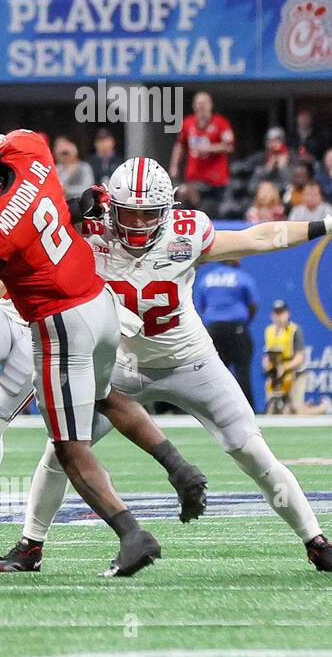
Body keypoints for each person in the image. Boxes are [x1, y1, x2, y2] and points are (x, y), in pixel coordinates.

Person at [17, 159, 332, 571]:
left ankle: (316, 541)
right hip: (121, 366)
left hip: (190, 361)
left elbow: (261, 237)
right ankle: (30, 546)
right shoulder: (88, 231)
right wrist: (73, 206)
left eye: (150, 213)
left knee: (253, 452)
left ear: (167, 210)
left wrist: (323, 224)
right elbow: (27, 222)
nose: (139, 223)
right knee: (62, 449)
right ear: (111, 206)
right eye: (130, 211)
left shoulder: (187, 234)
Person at [0, 114, 167, 577]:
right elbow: (52, 208)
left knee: (55, 440)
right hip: (87, 307)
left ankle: (129, 532)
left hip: (48, 321)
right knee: (4, 413)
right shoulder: (31, 146)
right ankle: (175, 469)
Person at [195, 259, 259, 406]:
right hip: (237, 329)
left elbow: (201, 306)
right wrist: (243, 323)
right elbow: (253, 305)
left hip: (213, 330)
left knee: (215, 374)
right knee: (242, 371)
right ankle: (247, 410)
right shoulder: (241, 277)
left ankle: (214, 409)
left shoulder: (206, 279)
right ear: (231, 258)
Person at [169, 91, 234, 215]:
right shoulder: (188, 123)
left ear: (210, 105)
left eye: (203, 103)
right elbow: (180, 145)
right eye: (198, 104)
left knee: (212, 211)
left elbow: (229, 146)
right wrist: (174, 165)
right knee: (185, 199)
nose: (201, 107)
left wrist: (210, 148)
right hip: (195, 178)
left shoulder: (221, 123)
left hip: (216, 180)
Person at [263, 300, 319, 414]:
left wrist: (284, 367)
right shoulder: (269, 331)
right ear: (272, 315)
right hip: (277, 376)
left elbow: (299, 357)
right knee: (272, 409)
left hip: (295, 373)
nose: (278, 316)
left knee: (297, 410)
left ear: (288, 313)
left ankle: (322, 407)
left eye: (281, 313)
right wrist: (267, 365)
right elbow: (267, 354)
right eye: (276, 313)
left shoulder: (295, 330)